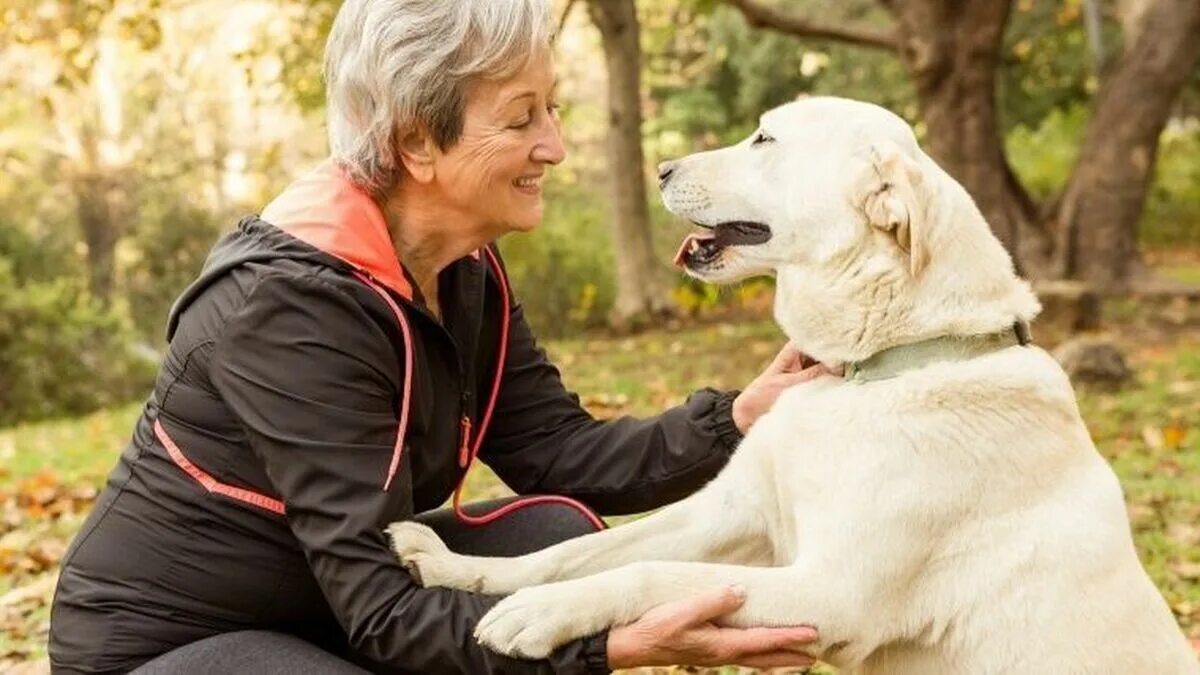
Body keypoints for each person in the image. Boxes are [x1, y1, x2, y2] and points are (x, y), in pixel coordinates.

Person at [48, 1, 821, 672]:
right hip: (171, 648)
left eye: (552, 110)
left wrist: (742, 417)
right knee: (548, 613)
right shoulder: (287, 311)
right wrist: (608, 645)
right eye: (522, 118)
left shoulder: (461, 266)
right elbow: (384, 616)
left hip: (332, 610)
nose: (552, 145)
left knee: (551, 535)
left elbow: (559, 453)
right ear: (416, 142)